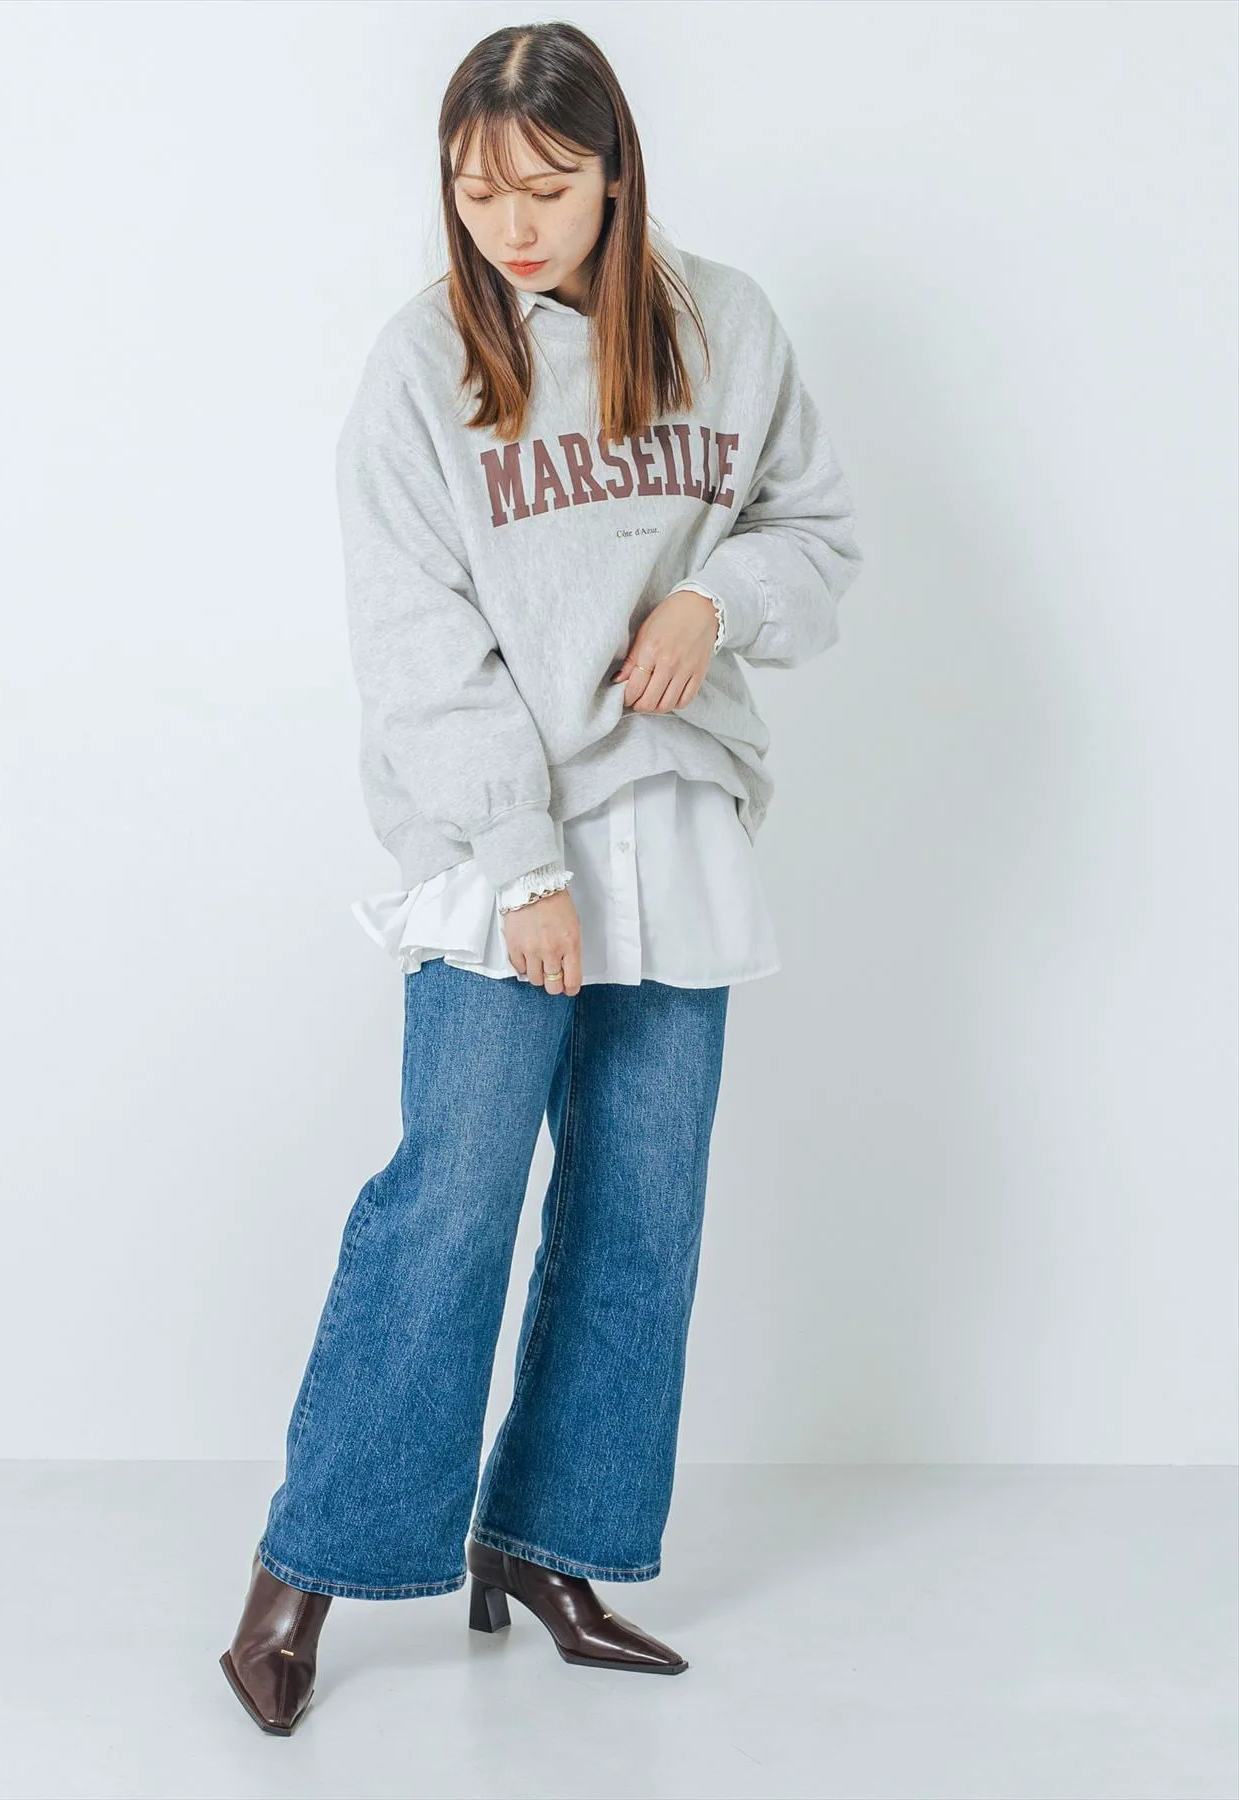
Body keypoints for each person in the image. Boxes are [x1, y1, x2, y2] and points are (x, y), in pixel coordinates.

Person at [218, 19, 863, 1736]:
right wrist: (519, 865)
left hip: (679, 823)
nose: (510, 223)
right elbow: (414, 646)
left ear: (616, 174)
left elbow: (816, 532)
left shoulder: (729, 327)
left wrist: (716, 597)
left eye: (548, 186)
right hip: (503, 846)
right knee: (451, 1196)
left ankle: (551, 1542)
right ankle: (306, 1567)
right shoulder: (420, 367)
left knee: (642, 1212)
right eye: (476, 186)